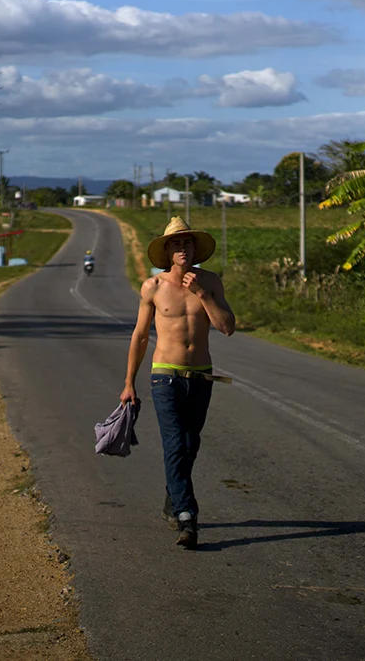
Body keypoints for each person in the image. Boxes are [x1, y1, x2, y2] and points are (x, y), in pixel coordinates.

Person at [120, 216, 235, 549]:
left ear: (194, 249)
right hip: (164, 376)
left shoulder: (210, 282)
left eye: (187, 243)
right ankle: (187, 516)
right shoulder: (153, 287)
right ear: (167, 251)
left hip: (200, 375)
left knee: (190, 445)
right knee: (174, 444)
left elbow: (227, 326)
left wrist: (201, 293)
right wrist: (129, 382)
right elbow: (140, 335)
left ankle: (174, 497)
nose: (182, 248)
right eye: (176, 244)